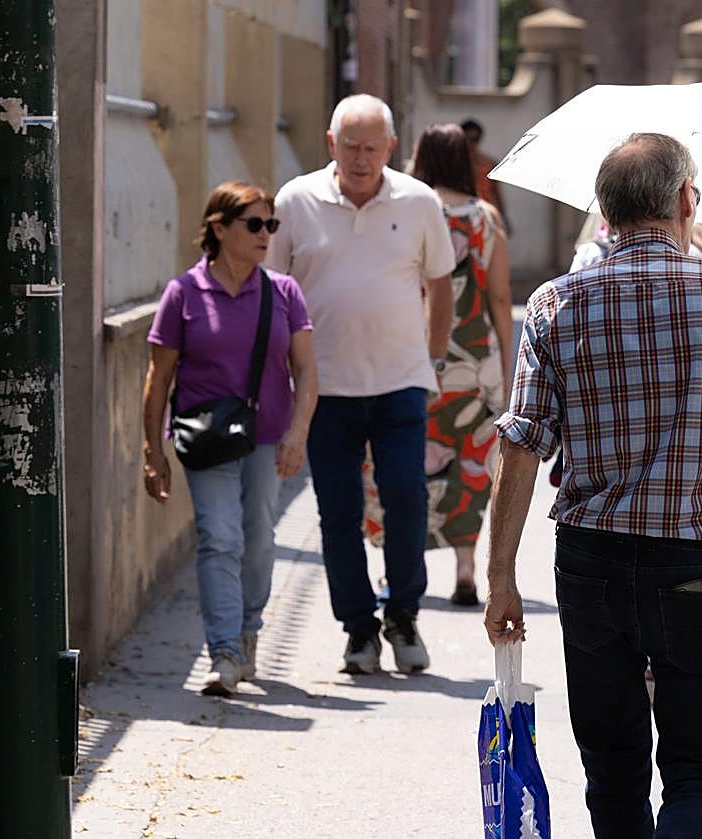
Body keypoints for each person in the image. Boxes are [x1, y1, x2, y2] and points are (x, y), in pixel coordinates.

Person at [483, 133, 702, 838]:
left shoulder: (553, 304)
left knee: (612, 766)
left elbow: (521, 448)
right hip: (697, 564)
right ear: (686, 200)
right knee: (700, 769)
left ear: (604, 211)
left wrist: (501, 576)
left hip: (591, 561)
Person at [266, 95, 456, 676]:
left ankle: (403, 614)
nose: (361, 158)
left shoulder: (419, 202)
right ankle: (358, 630)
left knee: (406, 496)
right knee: (338, 513)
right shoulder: (296, 201)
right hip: (322, 387)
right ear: (331, 144)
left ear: (391, 149)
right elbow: (275, 293)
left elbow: (441, 285)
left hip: (400, 381)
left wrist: (430, 357)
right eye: (350, 146)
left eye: (373, 147)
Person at [142, 180, 318, 697]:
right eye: (255, 224)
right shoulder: (184, 294)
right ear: (219, 229)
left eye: (271, 224)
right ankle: (223, 651)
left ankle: (248, 630)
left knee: (258, 538)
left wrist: (298, 433)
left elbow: (307, 370)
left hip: (266, 437)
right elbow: (158, 381)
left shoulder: (283, 292)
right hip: (206, 441)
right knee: (220, 537)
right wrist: (153, 451)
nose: (267, 234)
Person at [360, 123, 513, 606]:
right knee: (471, 466)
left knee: (395, 466)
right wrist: (508, 371)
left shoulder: (402, 213)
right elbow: (502, 298)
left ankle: (394, 569)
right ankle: (466, 569)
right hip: (474, 365)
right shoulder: (485, 220)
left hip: (406, 361)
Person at [461, 118, 510, 234]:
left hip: (486, 216)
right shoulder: (455, 164)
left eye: (475, 140)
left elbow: (496, 193)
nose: (471, 144)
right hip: (463, 216)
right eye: (467, 140)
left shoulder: (489, 164)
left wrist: (504, 218)